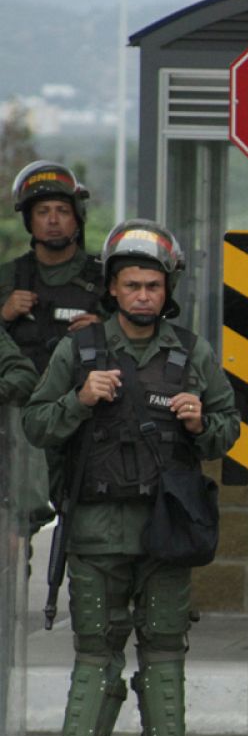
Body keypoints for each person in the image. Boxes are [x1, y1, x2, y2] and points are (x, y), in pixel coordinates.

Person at [21, 220, 239, 736]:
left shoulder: (193, 352)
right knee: (96, 645)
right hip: (96, 526)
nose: (143, 295)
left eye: (153, 285)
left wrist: (201, 422)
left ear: (167, 292)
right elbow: (36, 423)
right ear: (112, 289)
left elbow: (229, 432)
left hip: (168, 528)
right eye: (132, 285)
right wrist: (79, 398)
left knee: (165, 642)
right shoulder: (80, 350)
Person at [3, 162, 104, 537]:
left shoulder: (106, 278)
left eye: (62, 211)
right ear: (29, 220)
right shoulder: (8, 278)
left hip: (83, 425)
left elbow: (141, 335)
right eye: (43, 212)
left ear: (77, 217)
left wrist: (103, 331)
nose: (53, 220)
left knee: (90, 539)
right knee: (13, 537)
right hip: (17, 430)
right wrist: (4, 314)